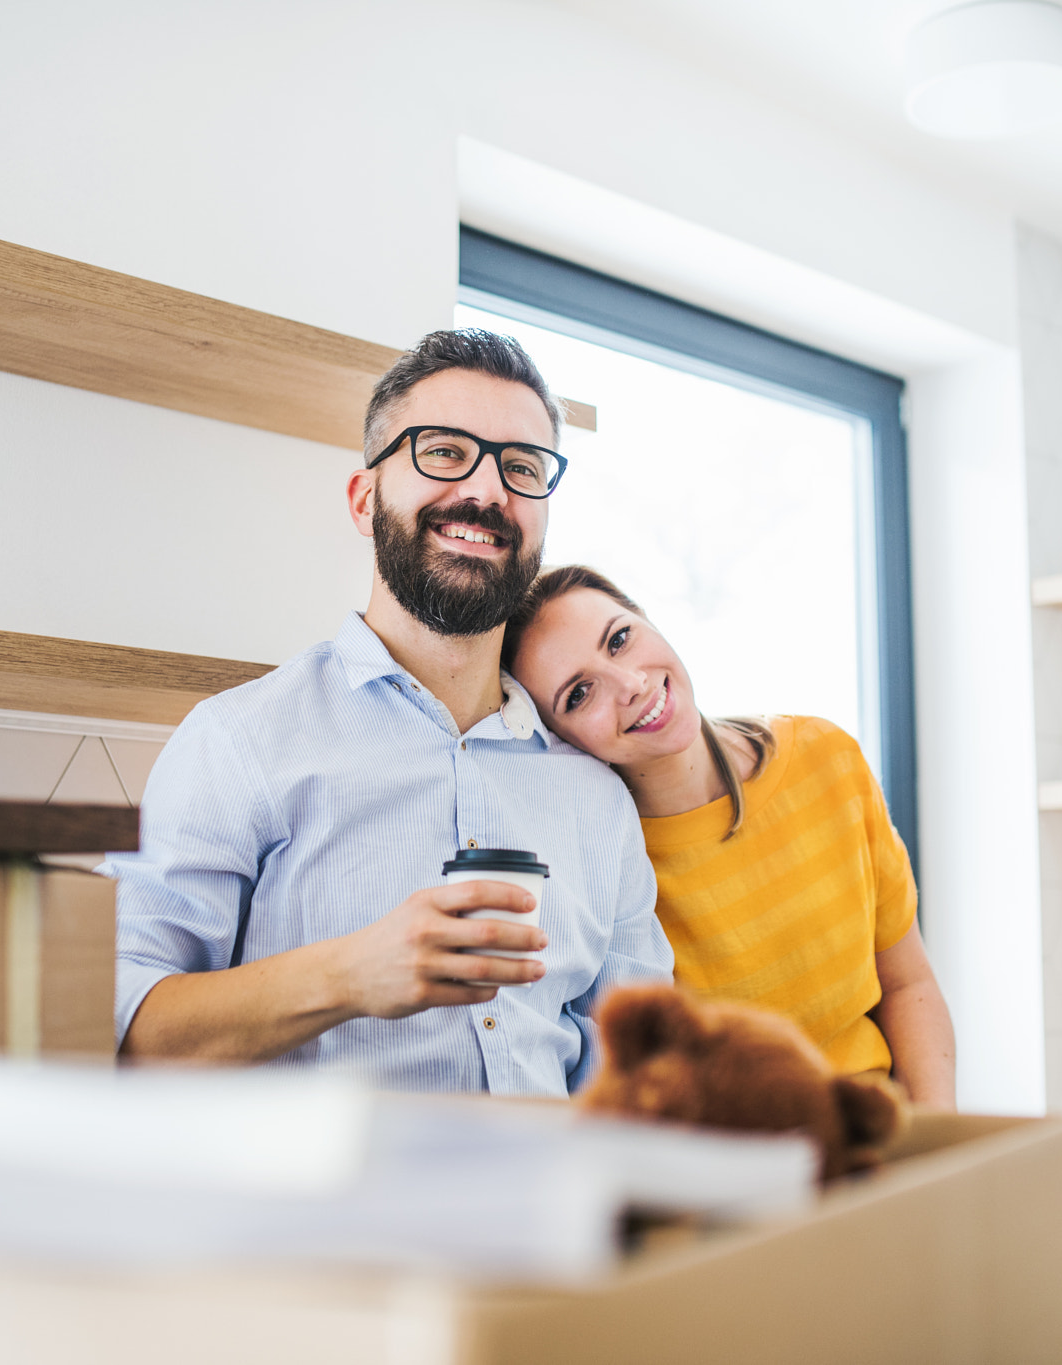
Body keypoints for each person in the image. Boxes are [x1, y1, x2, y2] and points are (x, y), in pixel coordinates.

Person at [502, 565, 1062, 1365]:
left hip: (889, 1137)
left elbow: (907, 984)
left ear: (649, 619)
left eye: (621, 637)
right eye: (579, 694)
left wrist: (933, 1146)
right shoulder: (605, 868)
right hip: (762, 1194)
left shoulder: (825, 758)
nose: (630, 684)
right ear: (563, 739)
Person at [110, 332, 672, 1094]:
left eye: (522, 467)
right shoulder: (239, 742)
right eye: (444, 452)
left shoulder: (598, 803)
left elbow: (643, 1073)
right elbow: (119, 1029)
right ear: (365, 498)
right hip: (322, 1213)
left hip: (550, 1207)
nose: (487, 491)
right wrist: (348, 974)